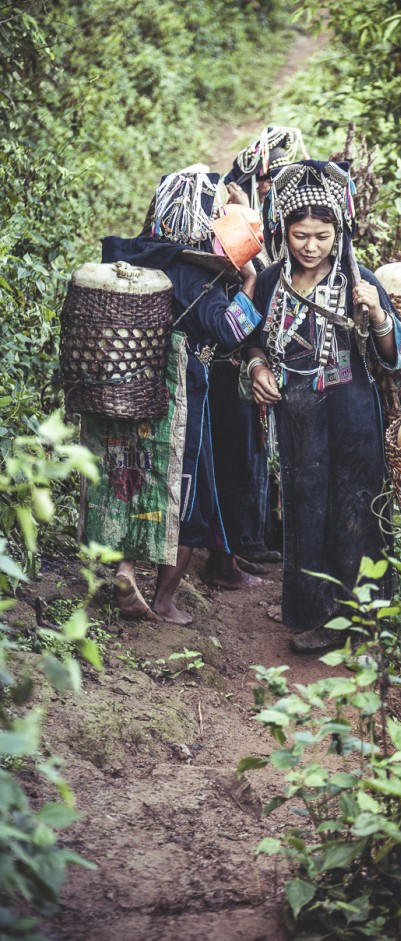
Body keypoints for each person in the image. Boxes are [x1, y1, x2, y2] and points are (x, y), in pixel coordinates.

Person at [244, 159, 401, 652]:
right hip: (299, 425)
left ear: (337, 233)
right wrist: (257, 368)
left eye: (322, 235)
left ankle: (362, 623)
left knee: (356, 512)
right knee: (306, 512)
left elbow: (398, 356)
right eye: (301, 235)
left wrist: (379, 313)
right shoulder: (271, 281)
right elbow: (252, 340)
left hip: (353, 421)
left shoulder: (359, 282)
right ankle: (313, 614)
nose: (311, 246)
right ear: (285, 232)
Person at [83, 166, 263, 624]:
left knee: (133, 482)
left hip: (129, 397)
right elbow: (230, 331)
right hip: (183, 403)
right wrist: (248, 283)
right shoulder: (193, 276)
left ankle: (124, 566)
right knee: (186, 502)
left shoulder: (133, 257)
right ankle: (163, 601)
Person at [205, 126, 310, 584]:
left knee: (252, 452)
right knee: (233, 455)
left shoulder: (280, 222)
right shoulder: (234, 218)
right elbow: (255, 278)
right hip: (227, 358)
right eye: (269, 184)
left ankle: (247, 542)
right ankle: (228, 554)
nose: (274, 192)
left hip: (256, 357)